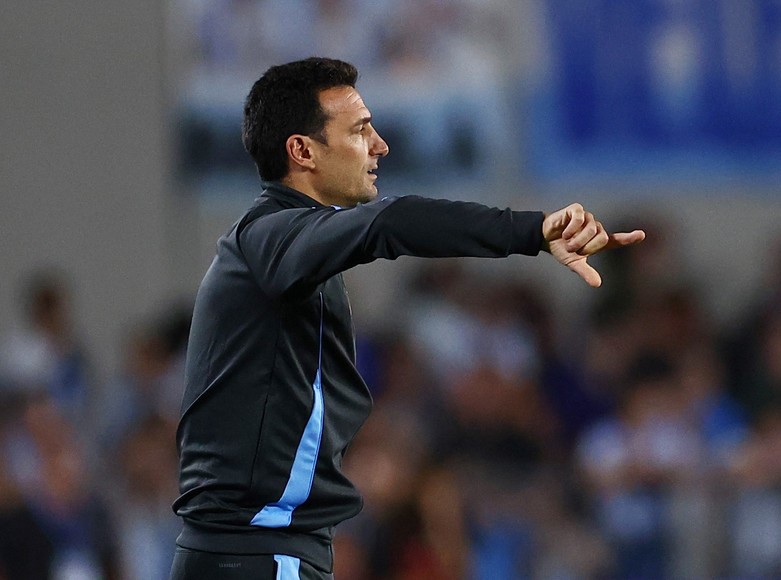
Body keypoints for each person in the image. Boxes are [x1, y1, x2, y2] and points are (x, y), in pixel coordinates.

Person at [169, 57, 645, 580]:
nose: (380, 145)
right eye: (359, 130)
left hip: (259, 553)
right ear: (301, 150)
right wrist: (531, 232)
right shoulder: (268, 238)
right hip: (257, 555)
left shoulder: (286, 249)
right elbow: (389, 222)